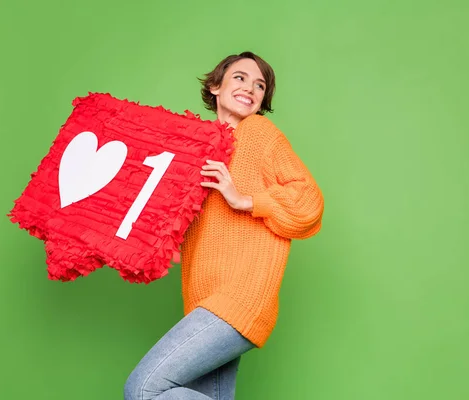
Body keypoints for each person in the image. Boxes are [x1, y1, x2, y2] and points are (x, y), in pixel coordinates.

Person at [124, 51, 324, 399]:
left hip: (238, 299)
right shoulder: (196, 151)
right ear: (215, 87)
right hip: (204, 301)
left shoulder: (258, 133)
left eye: (260, 85)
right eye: (240, 78)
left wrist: (245, 199)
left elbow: (310, 202)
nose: (251, 88)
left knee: (145, 389)